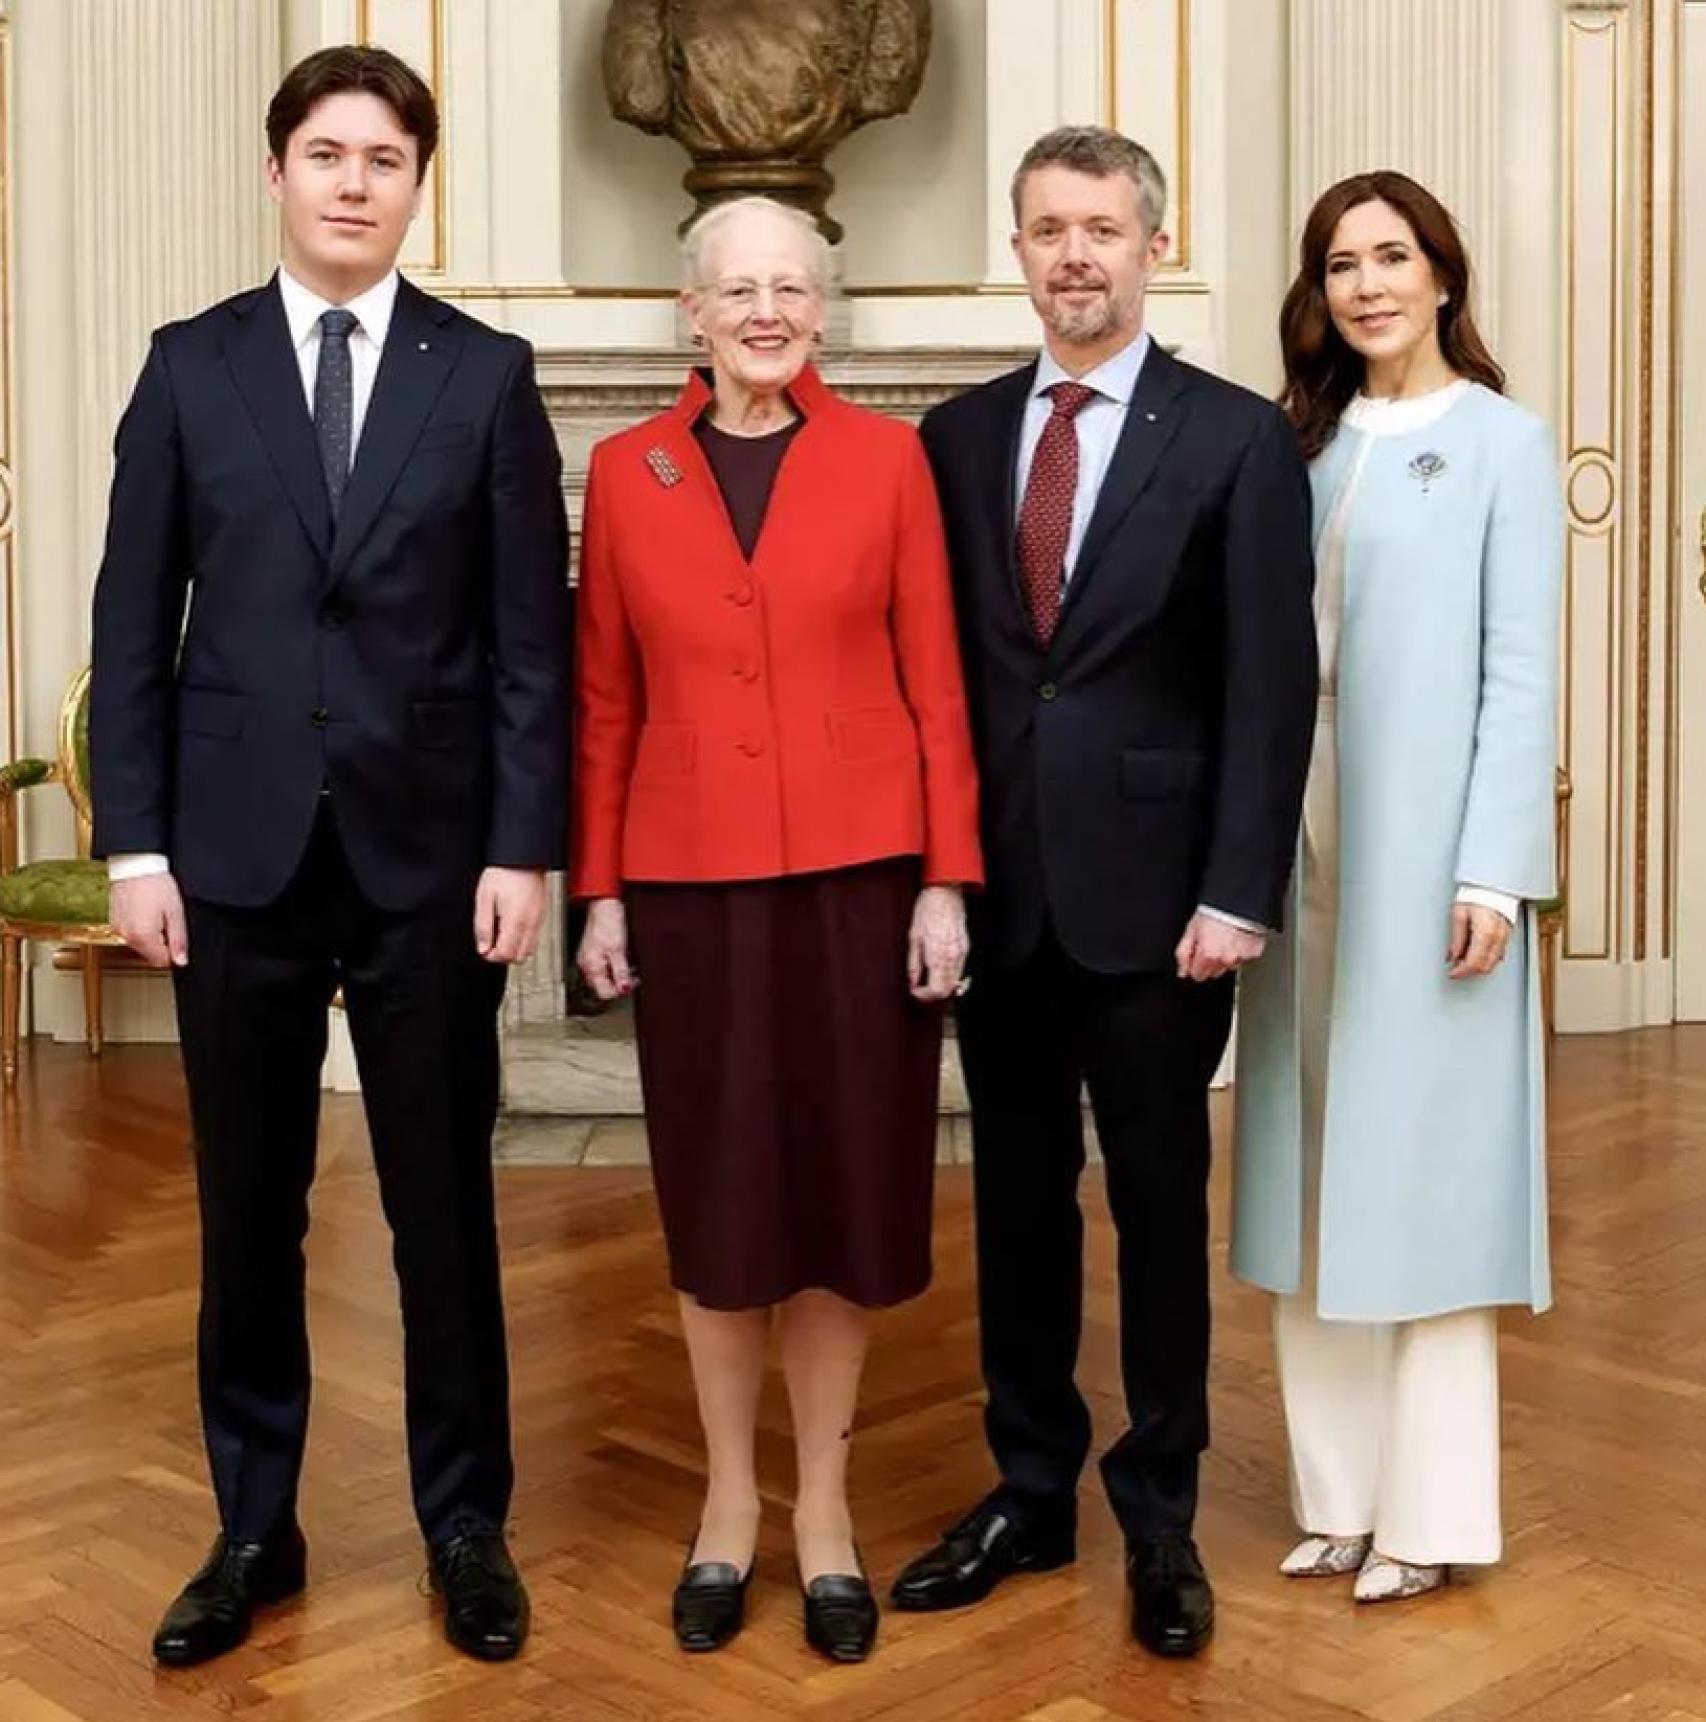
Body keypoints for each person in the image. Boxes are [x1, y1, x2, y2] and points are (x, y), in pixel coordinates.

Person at [89, 45, 570, 1666]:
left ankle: (463, 1522)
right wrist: (135, 841)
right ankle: (251, 1526)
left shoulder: (485, 375)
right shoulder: (187, 366)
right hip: (230, 859)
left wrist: (523, 844)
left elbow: (528, 646)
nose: (355, 181)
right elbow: (131, 623)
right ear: (278, 172)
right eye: (327, 152)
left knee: (444, 1208)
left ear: (416, 185)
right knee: (248, 1209)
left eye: (385, 158)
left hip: (432, 859)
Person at [889, 127, 1317, 1657]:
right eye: (1048, 229)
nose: (1075, 254)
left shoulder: (1232, 438)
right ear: (1016, 249)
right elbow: (927, 676)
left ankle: (1160, 1514)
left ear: (1152, 244)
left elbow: (1272, 685)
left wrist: (1238, 890)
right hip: (996, 894)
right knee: (1011, 1201)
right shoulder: (948, 438)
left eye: (1103, 228)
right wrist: (929, 873)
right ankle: (1027, 1485)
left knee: (1151, 1205)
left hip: (1162, 911)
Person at [570, 196, 981, 1665]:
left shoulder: (890, 461)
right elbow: (604, 697)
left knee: (845, 1196)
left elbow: (938, 683)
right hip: (685, 884)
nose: (763, 312)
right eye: (735, 289)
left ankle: (824, 1510)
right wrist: (598, 887)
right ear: (689, 311)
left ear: (824, 309)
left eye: (789, 288)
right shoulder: (626, 470)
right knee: (723, 1197)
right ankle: (726, 1508)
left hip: (864, 881)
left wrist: (947, 880)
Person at [1231, 170, 1563, 1604]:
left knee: (1420, 1177)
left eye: (1392, 256)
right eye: (1340, 263)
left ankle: (1428, 1513)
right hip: (1293, 854)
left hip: (1431, 866)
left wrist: (1495, 865)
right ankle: (1338, 1496)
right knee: (1306, 1172)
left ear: (1441, 274)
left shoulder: (1501, 444)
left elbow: (1519, 669)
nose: (1366, 283)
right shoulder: (1289, 448)